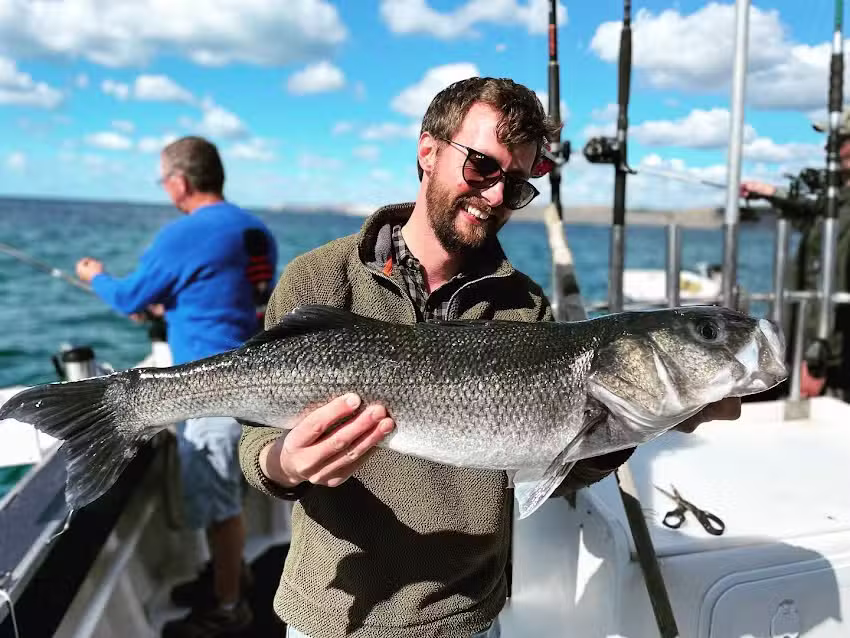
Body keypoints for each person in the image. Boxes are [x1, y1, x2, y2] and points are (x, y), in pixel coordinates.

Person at [238, 77, 741, 638]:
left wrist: (644, 419)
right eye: (481, 166)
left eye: (518, 184)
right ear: (428, 151)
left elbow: (554, 464)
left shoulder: (523, 304)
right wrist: (286, 462)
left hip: (467, 618)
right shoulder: (321, 278)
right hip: (331, 615)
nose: (497, 196)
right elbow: (255, 439)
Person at [76, 135, 278, 637]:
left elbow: (128, 298)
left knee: (219, 503)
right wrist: (174, 307)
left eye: (164, 180)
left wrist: (95, 276)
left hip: (206, 389)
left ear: (179, 182)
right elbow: (236, 298)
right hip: (258, 384)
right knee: (227, 492)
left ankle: (229, 607)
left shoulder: (183, 234)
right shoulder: (257, 230)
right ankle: (234, 576)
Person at [741, 110, 850, 400]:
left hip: (828, 355)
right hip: (803, 343)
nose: (840, 148)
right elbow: (809, 210)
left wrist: (818, 361)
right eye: (839, 140)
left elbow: (833, 284)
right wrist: (769, 192)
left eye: (846, 139)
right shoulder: (835, 201)